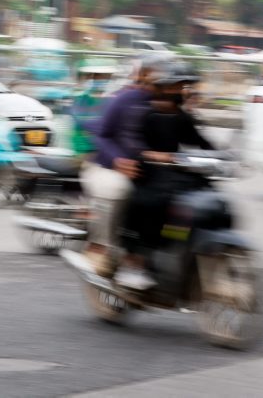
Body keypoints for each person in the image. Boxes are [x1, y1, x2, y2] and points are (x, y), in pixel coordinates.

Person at [117, 61, 214, 289]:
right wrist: (152, 155)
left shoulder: (181, 116)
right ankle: (133, 263)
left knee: (204, 195)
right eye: (178, 86)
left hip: (172, 173)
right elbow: (131, 142)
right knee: (153, 202)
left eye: (185, 86)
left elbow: (200, 142)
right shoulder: (143, 113)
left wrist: (224, 155)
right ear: (164, 87)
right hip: (145, 173)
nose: (182, 91)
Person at [79, 53, 170, 277]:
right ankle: (100, 247)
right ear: (143, 75)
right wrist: (117, 160)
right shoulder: (124, 100)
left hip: (153, 172)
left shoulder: (170, 106)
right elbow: (102, 135)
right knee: (116, 188)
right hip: (106, 167)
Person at [69, 59, 117, 156]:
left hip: (107, 155)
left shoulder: (115, 102)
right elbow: (78, 130)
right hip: (84, 153)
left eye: (101, 76)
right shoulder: (79, 101)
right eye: (91, 76)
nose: (96, 79)